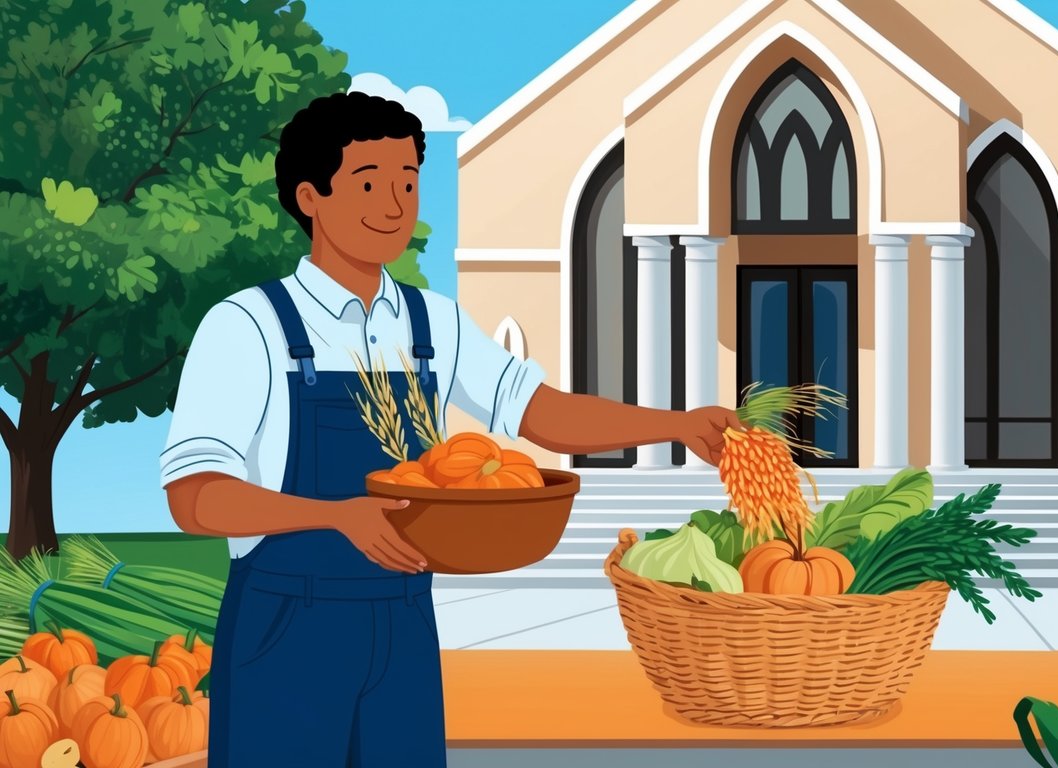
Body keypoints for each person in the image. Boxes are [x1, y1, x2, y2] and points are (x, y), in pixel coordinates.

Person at [160, 91, 740, 767]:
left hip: (402, 623)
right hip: (290, 625)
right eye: (368, 182)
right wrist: (335, 518)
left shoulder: (431, 323)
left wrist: (676, 423)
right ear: (309, 197)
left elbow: (542, 414)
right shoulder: (248, 326)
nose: (395, 204)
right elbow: (195, 498)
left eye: (408, 182)